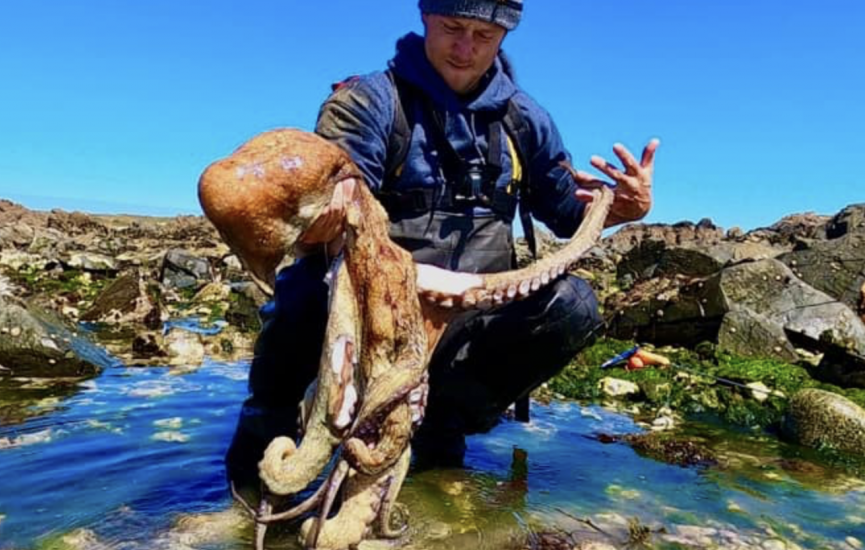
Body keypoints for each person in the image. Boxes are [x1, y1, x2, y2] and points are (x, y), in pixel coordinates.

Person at [225, 0, 659, 488]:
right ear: (426, 17)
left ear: (504, 37)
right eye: (453, 27)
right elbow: (342, 188)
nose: (465, 48)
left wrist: (622, 208)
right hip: (368, 306)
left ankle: (440, 424)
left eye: (484, 35)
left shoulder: (526, 121)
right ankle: (257, 472)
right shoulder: (368, 103)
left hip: (466, 317)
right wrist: (329, 214)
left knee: (573, 304)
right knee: (302, 293)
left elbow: (566, 214)